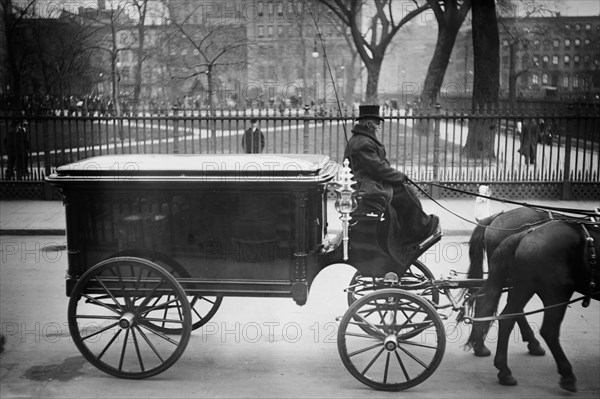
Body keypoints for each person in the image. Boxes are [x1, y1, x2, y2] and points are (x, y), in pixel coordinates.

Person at [343, 105, 440, 246]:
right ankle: (415, 231)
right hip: (366, 185)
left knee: (405, 190)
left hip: (370, 181)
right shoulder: (362, 142)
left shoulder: (364, 139)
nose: (378, 126)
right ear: (369, 124)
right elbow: (378, 169)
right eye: (377, 123)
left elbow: (380, 165)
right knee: (406, 193)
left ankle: (409, 230)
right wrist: (399, 176)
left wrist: (397, 176)